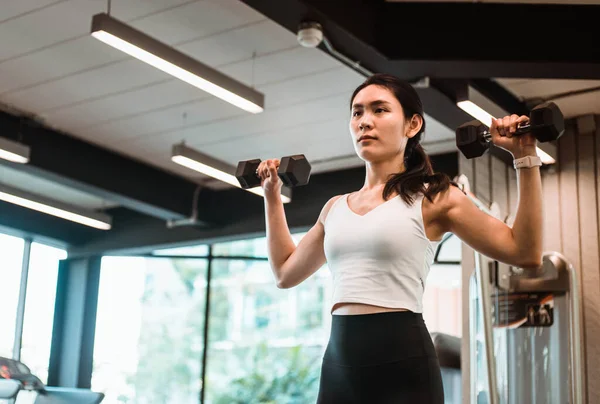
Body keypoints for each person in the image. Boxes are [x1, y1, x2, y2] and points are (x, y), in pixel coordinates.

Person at [256, 73, 543, 403]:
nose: (365, 121)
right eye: (357, 112)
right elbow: (284, 273)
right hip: (339, 365)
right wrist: (272, 195)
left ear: (412, 124)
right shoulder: (334, 208)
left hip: (403, 363)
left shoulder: (436, 197)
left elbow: (525, 252)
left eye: (379, 110)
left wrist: (525, 156)